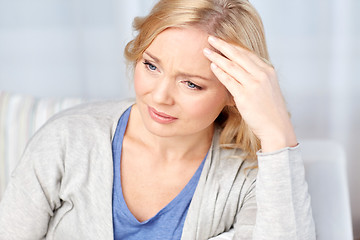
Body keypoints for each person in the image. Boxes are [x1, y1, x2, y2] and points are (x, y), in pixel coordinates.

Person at [0, 0, 316, 239]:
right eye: (152, 66)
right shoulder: (66, 140)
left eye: (191, 83)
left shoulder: (249, 176)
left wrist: (277, 133)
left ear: (235, 93)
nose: (160, 96)